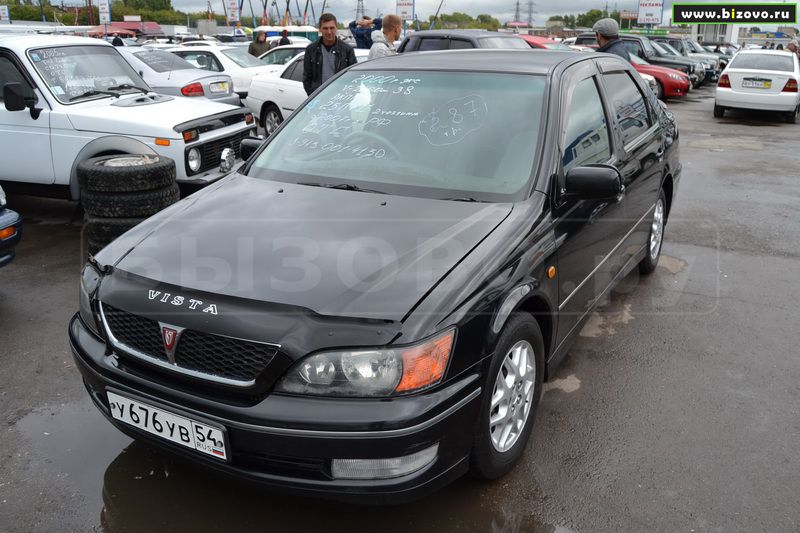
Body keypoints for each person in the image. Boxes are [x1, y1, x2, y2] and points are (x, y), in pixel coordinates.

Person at [303, 13, 357, 95]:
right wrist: (313, 96)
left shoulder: (347, 50)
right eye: (325, 28)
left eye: (332, 28)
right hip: (318, 97)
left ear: (336, 28)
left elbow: (353, 76)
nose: (329, 32)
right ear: (320, 29)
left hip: (340, 97)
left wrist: (347, 96)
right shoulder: (311, 49)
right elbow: (307, 77)